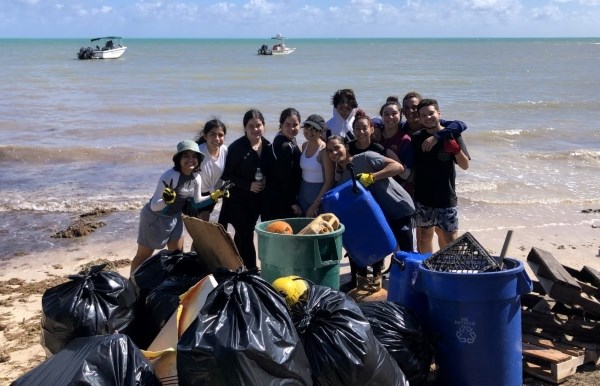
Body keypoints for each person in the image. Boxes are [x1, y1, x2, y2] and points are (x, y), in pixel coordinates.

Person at [326, 135, 415, 293]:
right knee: (357, 239)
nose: (334, 153)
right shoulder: (341, 175)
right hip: (374, 216)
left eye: (337, 147)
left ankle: (410, 287)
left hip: (397, 209)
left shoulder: (366, 158)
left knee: (404, 254)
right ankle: (359, 280)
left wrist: (373, 176)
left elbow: (398, 168)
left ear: (346, 147)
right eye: (329, 151)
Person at [131, 140, 229, 274]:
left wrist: (215, 196)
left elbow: (197, 202)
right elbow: (154, 206)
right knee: (142, 257)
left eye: (194, 156)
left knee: (177, 256)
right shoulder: (170, 176)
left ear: (199, 160)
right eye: (186, 156)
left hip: (175, 218)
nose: (191, 160)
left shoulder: (196, 177)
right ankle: (131, 283)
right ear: (179, 159)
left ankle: (175, 285)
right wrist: (166, 200)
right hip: (155, 219)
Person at [412, 98, 470, 253]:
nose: (428, 117)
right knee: (424, 236)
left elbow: (465, 165)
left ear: (439, 113)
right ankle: (427, 268)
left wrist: (456, 150)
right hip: (423, 198)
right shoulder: (417, 137)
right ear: (419, 118)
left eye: (431, 113)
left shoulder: (452, 135)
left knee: (450, 238)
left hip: (447, 197)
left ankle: (447, 270)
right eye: (423, 115)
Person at [218, 109, 269, 269]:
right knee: (246, 236)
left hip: (257, 201)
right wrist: (249, 185)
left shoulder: (268, 146)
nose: (255, 129)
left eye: (258, 125)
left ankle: (235, 267)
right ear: (245, 128)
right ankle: (252, 272)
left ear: (264, 126)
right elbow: (226, 176)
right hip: (237, 201)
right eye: (251, 126)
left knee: (241, 238)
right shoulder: (236, 148)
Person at [261, 107, 303, 220]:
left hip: (276, 197)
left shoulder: (285, 139)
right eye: (287, 124)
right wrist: (293, 203)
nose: (292, 128)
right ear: (281, 125)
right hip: (280, 201)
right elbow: (286, 177)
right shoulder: (284, 146)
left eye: (295, 124)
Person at [188, 119, 228, 221]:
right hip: (194, 195)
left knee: (204, 224)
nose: (217, 138)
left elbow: (225, 173)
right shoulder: (198, 152)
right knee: (196, 226)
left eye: (220, 135)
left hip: (212, 194)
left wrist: (221, 190)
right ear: (205, 136)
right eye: (212, 134)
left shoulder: (225, 150)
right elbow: (186, 172)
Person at [298, 114, 334, 217]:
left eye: (314, 129)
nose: (309, 131)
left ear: (321, 131)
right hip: (303, 194)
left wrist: (315, 205)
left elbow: (329, 181)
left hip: (318, 197)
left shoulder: (324, 151)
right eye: (307, 127)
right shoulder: (304, 145)